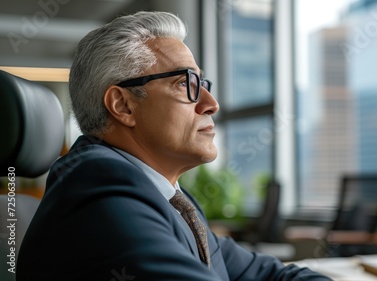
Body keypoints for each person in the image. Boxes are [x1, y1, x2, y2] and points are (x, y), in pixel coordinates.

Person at [17, 11, 332, 281]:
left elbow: (267, 274)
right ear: (123, 105)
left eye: (203, 84)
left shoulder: (168, 196)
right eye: (186, 84)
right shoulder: (100, 188)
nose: (212, 104)